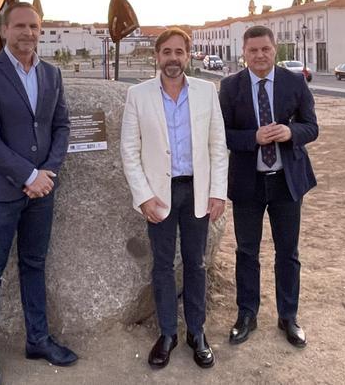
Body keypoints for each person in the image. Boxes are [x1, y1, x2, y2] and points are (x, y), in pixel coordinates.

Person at [0, 1, 75, 385]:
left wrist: (49, 172)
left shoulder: (51, 74)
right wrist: (28, 174)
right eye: (21, 26)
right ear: (5, 29)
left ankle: (38, 340)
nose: (29, 33)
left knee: (34, 265)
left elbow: (61, 126)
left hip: (41, 191)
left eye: (34, 27)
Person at [120, 28, 228, 369]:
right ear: (157, 55)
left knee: (196, 264)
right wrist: (143, 197)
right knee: (163, 266)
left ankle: (197, 332)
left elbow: (217, 147)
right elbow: (129, 150)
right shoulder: (138, 95)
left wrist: (217, 193)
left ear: (188, 54)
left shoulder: (206, 92)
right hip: (160, 197)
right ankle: (167, 333)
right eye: (166, 52)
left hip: (197, 191)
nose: (173, 58)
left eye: (179, 52)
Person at [218, 25, 319, 349]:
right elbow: (220, 135)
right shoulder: (230, 86)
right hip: (248, 182)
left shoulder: (294, 81)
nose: (259, 55)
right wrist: (252, 138)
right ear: (243, 53)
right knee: (247, 252)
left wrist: (291, 134)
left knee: (287, 253)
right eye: (253, 51)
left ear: (276, 50)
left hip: (286, 181)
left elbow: (312, 127)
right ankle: (246, 315)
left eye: (265, 49)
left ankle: (288, 317)